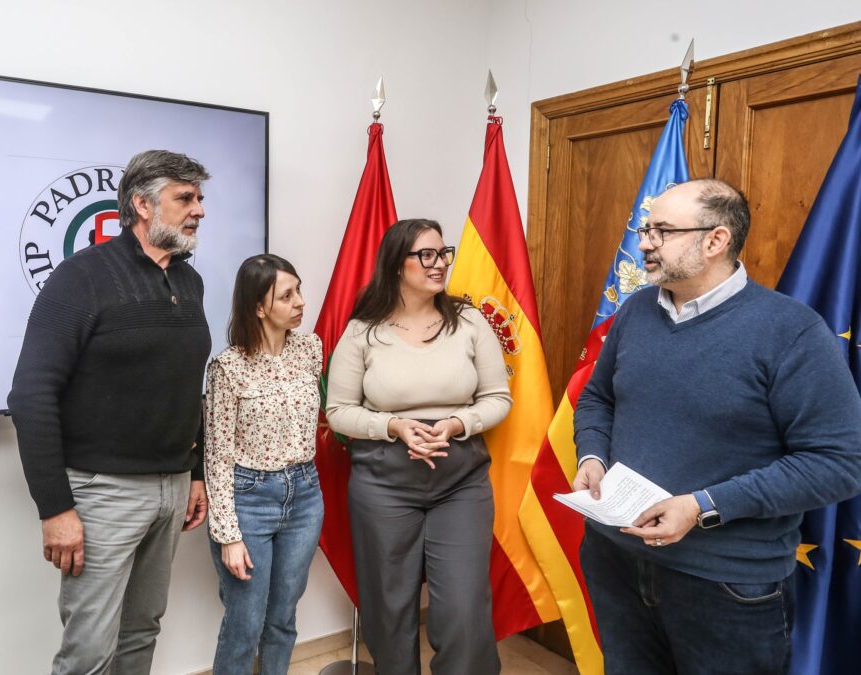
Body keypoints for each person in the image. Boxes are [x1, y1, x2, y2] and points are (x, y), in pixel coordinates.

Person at [573, 178, 861, 675]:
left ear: (715, 240)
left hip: (727, 584)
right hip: (616, 562)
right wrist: (592, 455)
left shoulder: (791, 331)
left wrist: (702, 506)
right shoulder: (636, 311)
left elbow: (840, 463)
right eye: (646, 230)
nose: (645, 243)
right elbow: (598, 398)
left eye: (662, 231)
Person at [8, 149, 212, 675]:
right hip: (103, 493)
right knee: (89, 652)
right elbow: (31, 394)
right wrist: (55, 508)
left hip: (172, 487)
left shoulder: (188, 281)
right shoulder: (82, 276)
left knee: (142, 632)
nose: (199, 209)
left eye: (199, 198)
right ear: (142, 205)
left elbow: (186, 386)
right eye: (185, 198)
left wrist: (194, 473)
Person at [325, 218, 510, 675]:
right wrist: (393, 426)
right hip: (383, 485)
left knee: (464, 607)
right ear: (396, 264)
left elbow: (498, 398)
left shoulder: (469, 321)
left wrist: (456, 423)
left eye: (443, 253)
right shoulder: (363, 331)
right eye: (426, 255)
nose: (439, 263)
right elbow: (339, 411)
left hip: (460, 483)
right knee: (388, 607)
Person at [204, 254, 324, 674]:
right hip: (249, 499)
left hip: (304, 495)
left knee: (283, 617)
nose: (300, 302)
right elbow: (217, 455)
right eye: (287, 296)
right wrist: (228, 535)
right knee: (245, 622)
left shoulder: (310, 350)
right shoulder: (228, 367)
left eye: (299, 291)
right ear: (258, 307)